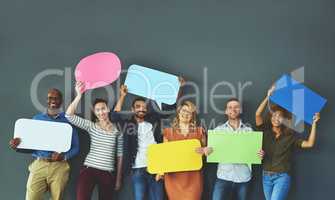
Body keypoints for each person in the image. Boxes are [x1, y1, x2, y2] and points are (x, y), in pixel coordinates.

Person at [113, 77, 185, 200]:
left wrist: (180, 87)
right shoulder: (127, 124)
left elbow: (172, 107)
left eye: (143, 106)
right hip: (138, 169)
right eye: (138, 106)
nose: (141, 108)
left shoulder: (154, 119)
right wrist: (122, 95)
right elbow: (114, 116)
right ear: (132, 109)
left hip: (156, 167)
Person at [9, 88, 80, 200]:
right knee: (31, 197)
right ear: (46, 100)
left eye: (56, 98)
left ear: (61, 101)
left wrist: (64, 156)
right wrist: (17, 146)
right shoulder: (37, 119)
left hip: (60, 166)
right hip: (40, 163)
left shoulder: (68, 121)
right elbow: (29, 146)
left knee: (57, 198)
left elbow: (76, 147)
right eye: (50, 98)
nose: (53, 100)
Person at [255, 85, 321, 200]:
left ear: (284, 120)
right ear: (270, 117)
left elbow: (309, 143)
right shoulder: (265, 132)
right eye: (274, 115)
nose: (276, 118)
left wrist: (314, 124)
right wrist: (268, 97)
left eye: (279, 117)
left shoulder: (290, 137)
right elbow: (257, 115)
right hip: (265, 176)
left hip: (282, 176)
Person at [65, 82, 123, 200]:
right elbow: (69, 116)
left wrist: (118, 179)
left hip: (107, 173)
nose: (101, 112)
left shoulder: (118, 131)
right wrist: (79, 95)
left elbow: (120, 156)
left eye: (103, 108)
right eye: (98, 110)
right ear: (95, 113)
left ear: (108, 109)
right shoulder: (91, 126)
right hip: (89, 170)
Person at [210, 98, 264, 200]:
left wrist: (259, 154)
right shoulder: (218, 131)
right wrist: (208, 151)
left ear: (240, 110)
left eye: (236, 107)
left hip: (243, 177)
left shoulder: (249, 131)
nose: (233, 109)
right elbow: (211, 151)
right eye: (230, 107)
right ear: (226, 111)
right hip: (223, 177)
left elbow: (254, 153)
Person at [156, 101, 208, 200]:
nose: (186, 114)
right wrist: (160, 172)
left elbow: (204, 153)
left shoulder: (200, 131)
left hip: (193, 177)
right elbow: (165, 155)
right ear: (179, 112)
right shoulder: (168, 132)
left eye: (189, 112)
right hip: (174, 177)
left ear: (192, 116)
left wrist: (205, 151)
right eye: (184, 110)